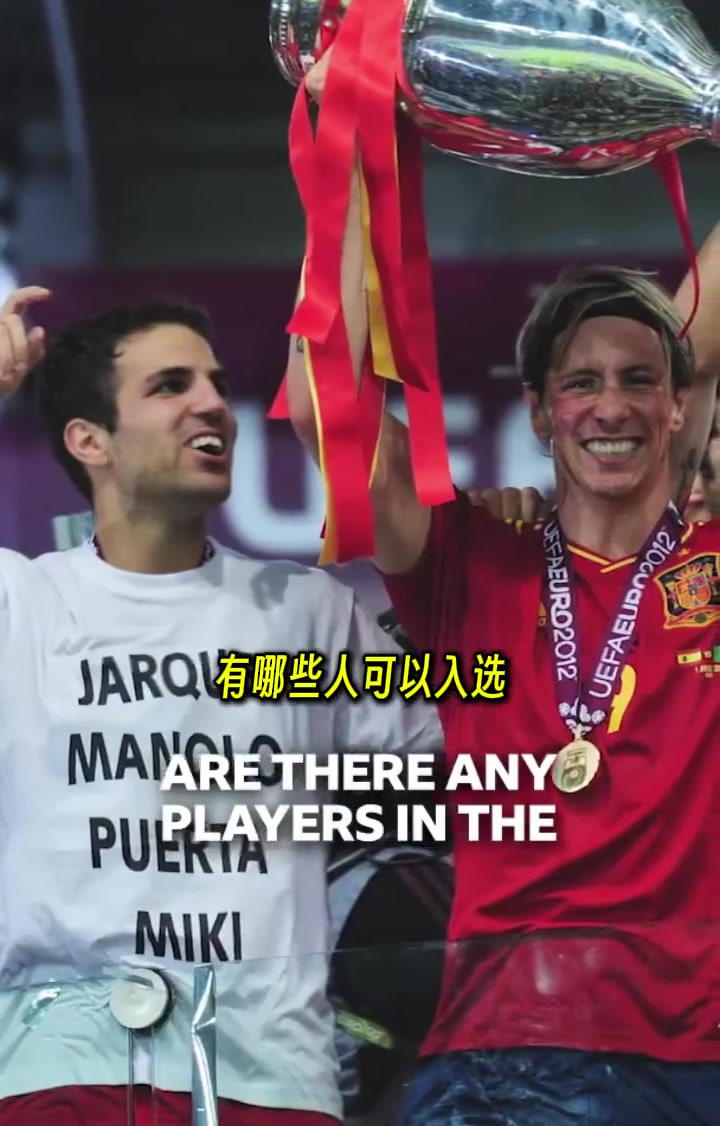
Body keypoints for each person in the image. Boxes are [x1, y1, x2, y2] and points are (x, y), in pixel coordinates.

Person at [287, 55, 720, 1124]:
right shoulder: (471, 558)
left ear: (678, 407)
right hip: (510, 1057)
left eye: (640, 381)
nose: (610, 407)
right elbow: (326, 408)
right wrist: (350, 145)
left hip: (701, 1056)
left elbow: (700, 336)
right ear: (537, 411)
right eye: (580, 383)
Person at [0, 288, 449, 1126]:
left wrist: (514, 550)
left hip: (270, 1080)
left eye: (215, 383)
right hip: (62, 1074)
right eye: (170, 386)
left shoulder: (306, 611)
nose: (213, 403)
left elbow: (479, 738)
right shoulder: (19, 605)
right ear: (89, 440)